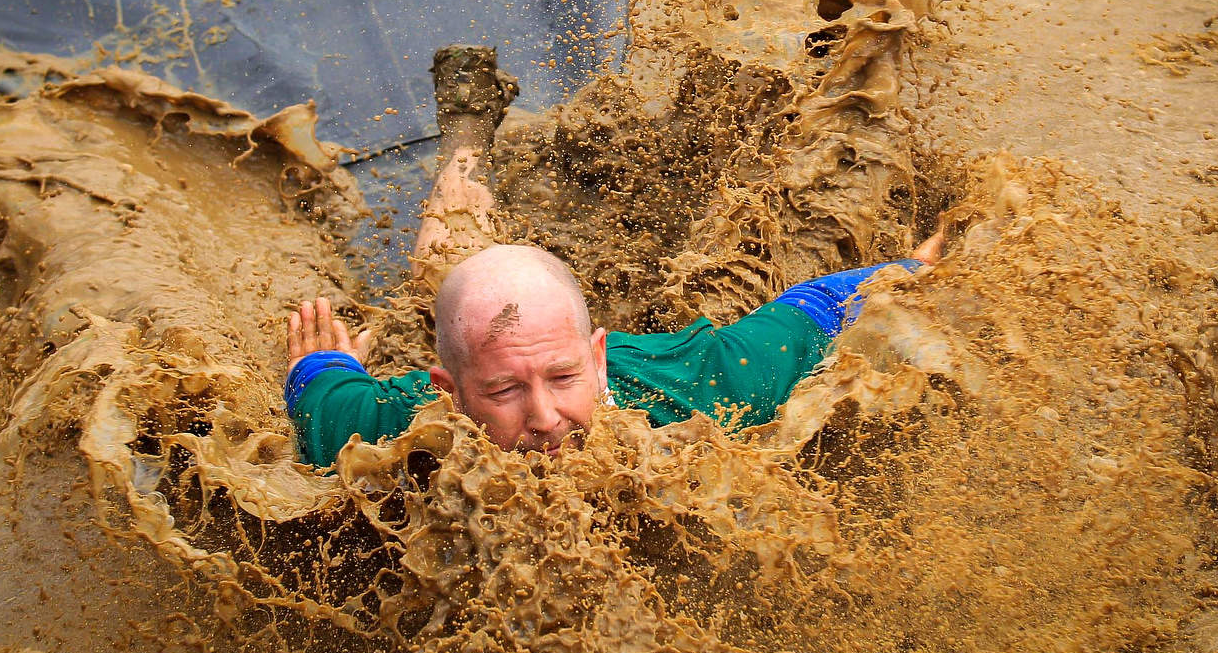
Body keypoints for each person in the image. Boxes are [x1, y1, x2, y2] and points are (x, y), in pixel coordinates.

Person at [285, 46, 944, 468]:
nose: (544, 420)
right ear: (449, 396)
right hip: (477, 328)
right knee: (442, 271)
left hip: (659, 365)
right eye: (506, 391)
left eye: (564, 379)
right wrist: (323, 363)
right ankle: (465, 138)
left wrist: (913, 273)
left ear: (598, 356)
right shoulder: (396, 431)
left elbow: (815, 310)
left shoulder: (701, 389)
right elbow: (324, 402)